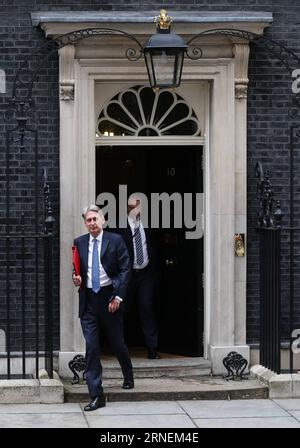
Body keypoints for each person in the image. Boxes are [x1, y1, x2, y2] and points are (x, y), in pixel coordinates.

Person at [72, 205, 134, 412]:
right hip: (89, 301)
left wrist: (118, 297)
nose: (92, 223)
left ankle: (128, 374)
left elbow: (125, 269)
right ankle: (97, 395)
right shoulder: (79, 243)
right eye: (88, 220)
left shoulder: (115, 240)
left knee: (117, 344)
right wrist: (77, 279)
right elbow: (77, 270)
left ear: (103, 220)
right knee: (92, 347)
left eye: (95, 219)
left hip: (109, 299)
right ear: (85, 223)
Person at [115, 196, 160, 360]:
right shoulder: (120, 227)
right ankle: (118, 347)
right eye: (133, 207)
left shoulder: (148, 226)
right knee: (122, 310)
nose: (136, 210)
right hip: (128, 274)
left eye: (139, 207)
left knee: (147, 308)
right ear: (127, 208)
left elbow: (153, 247)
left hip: (146, 274)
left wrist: (155, 275)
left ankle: (152, 349)